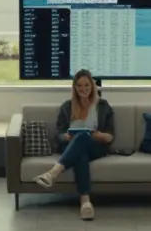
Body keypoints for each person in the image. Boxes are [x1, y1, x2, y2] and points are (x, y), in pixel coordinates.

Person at [31, 69, 115, 220]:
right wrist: (67, 136)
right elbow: (58, 135)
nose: (83, 89)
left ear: (92, 86)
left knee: (83, 136)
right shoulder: (67, 106)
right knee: (80, 154)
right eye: (80, 86)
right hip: (72, 146)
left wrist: (96, 135)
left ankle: (53, 173)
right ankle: (85, 203)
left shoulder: (103, 106)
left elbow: (109, 137)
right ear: (74, 88)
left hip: (96, 146)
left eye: (87, 86)